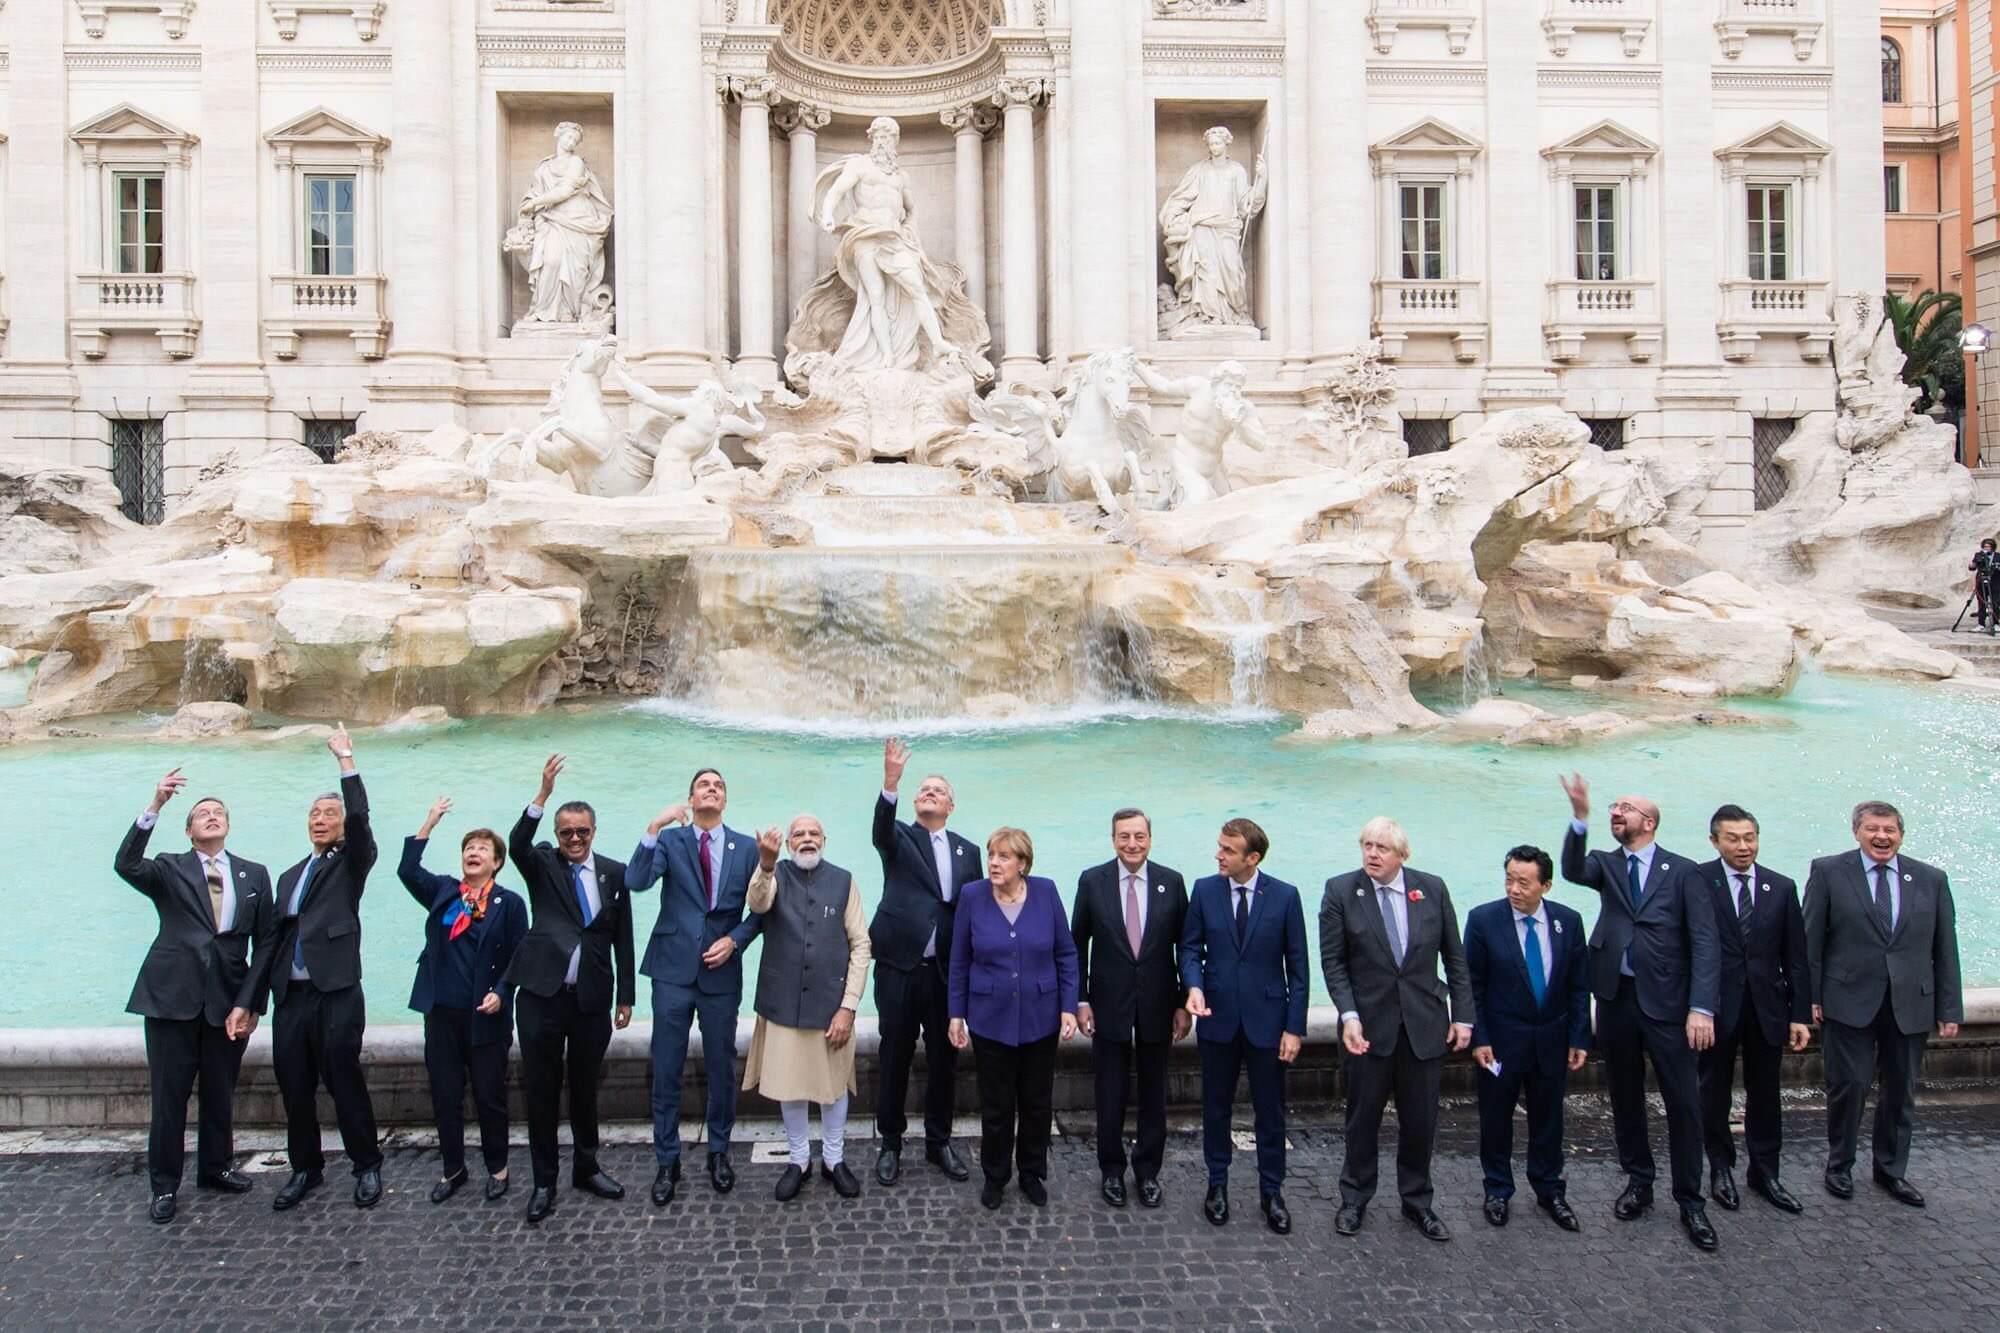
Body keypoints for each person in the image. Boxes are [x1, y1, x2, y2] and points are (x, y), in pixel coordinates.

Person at [1558, 774, 1721, 1251]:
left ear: (1647, 822)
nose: (1616, 812)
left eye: (1624, 807)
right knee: (1624, 1096)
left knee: (1684, 1103)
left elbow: (1705, 942)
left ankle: (1690, 1198)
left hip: (1670, 1004)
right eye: (1613, 806)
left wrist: (1701, 1007)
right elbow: (1569, 869)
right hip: (1615, 999)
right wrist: (1580, 816)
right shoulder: (1605, 865)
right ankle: (1639, 1181)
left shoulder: (1684, 871)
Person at [115, 768, 275, 1224]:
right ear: (189, 830)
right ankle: (164, 1186)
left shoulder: (254, 875)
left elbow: (265, 945)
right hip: (170, 998)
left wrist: (251, 1002)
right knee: (169, 1096)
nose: (211, 816)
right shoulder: (168, 867)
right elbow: (126, 865)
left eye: (218, 812)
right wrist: (154, 806)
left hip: (227, 1000)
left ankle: (216, 1167)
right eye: (202, 813)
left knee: (221, 1091)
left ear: (228, 825)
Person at [1319, 817, 1474, 1242]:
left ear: (1402, 855)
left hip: (1423, 1026)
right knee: (1361, 1119)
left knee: (1421, 1121)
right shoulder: (1340, 891)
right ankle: (1354, 1198)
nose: (1372, 853)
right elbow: (1333, 964)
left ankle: (1417, 1200)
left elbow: (1455, 958)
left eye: (1381, 848)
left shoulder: (1433, 888)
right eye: (1367, 845)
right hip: (1367, 1027)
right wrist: (1348, 1016)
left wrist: (1463, 1016)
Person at [1804, 801, 1963, 1207]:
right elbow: (1811, 942)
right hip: (1847, 1000)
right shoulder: (1827, 872)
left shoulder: (1931, 879)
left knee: (1900, 1092)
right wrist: (1811, 997)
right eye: (1873, 829)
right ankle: (1839, 1165)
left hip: (1910, 1004)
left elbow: (1946, 948)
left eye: (1890, 829)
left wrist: (1950, 1008)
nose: (1882, 837)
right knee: (1849, 1087)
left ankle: (1891, 1170)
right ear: (1856, 831)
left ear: (1901, 834)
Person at [625, 767, 765, 1206]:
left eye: (719, 786)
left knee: (722, 1066)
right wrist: (654, 827)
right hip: (671, 969)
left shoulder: (747, 848)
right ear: (690, 797)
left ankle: (719, 1151)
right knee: (665, 1066)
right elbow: (636, 882)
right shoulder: (670, 841)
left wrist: (735, 941)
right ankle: (667, 1159)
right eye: (704, 784)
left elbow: (760, 911)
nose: (712, 789)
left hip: (721, 971)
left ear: (726, 800)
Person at [506, 754, 635, 1224]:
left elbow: (623, 934)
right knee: (540, 1090)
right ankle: (544, 1181)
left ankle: (586, 1166)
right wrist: (541, 794)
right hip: (541, 996)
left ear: (593, 832)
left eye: (582, 832)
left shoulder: (614, 872)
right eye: (567, 833)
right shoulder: (542, 864)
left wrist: (626, 996)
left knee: (584, 1088)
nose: (575, 839)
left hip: (591, 1000)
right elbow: (516, 842)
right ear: (557, 835)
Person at [264, 725, 384, 1212]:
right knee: (294, 1084)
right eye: (314, 813)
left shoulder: (352, 862)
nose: (320, 819)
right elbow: (274, 939)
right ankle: (305, 1169)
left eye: (329, 813)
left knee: (343, 1076)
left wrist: (346, 762)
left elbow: (360, 818)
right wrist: (249, 1003)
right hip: (291, 996)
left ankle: (366, 1164)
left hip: (335, 989)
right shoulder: (291, 874)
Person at [1181, 818, 1309, 1235]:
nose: (1218, 855)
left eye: (1228, 850)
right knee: (1214, 1108)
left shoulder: (1286, 897)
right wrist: (1194, 987)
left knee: (1270, 1112)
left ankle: (1272, 1191)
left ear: (1252, 858)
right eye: (1219, 846)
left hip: (1268, 1023)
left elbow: (1300, 970)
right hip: (1217, 1019)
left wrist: (1294, 1028)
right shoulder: (1203, 890)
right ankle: (1216, 1184)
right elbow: (1189, 949)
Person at [399, 797, 529, 1205]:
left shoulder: (510, 904)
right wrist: (429, 821)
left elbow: (518, 957)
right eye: (469, 848)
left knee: (490, 1097)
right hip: (441, 1014)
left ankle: (498, 1168)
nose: (473, 853)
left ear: (496, 863)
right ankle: (452, 1169)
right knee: (445, 1094)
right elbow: (407, 870)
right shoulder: (443, 891)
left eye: (482, 849)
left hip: (485, 1016)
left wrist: (502, 993)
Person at [868, 738, 983, 1187]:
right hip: (899, 967)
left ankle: (939, 1141)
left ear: (951, 805)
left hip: (945, 974)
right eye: (923, 789)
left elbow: (973, 910)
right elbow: (880, 828)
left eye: (938, 790)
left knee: (944, 1061)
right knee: (893, 1056)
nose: (929, 792)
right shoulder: (897, 837)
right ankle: (891, 1143)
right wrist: (891, 782)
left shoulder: (968, 850)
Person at [947, 828, 1080, 1210]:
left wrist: (1068, 1006)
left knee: (1037, 1103)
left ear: (1023, 864)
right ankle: (995, 1175)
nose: (994, 863)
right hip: (990, 1019)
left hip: (1041, 1017)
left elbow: (1066, 954)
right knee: (996, 1104)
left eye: (1004, 857)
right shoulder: (972, 896)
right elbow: (960, 960)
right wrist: (956, 1013)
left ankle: (1032, 1172)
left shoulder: (1047, 892)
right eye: (992, 855)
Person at [741, 816, 870, 1202]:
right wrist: (765, 863)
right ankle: (798, 1159)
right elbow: (757, 903)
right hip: (782, 1002)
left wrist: (848, 1007)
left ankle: (834, 1158)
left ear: (824, 840)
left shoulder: (844, 880)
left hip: (831, 1004)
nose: (807, 839)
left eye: (814, 834)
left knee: (833, 1087)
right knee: (789, 1086)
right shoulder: (774, 873)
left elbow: (860, 945)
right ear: (789, 842)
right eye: (799, 834)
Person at [1465, 846, 1591, 1231]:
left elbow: (1577, 985)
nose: (1514, 889)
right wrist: (1479, 1038)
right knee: (1496, 1117)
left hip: (1551, 1039)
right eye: (1509, 879)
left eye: (1523, 882)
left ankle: (1549, 1187)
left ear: (1546, 885)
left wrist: (1578, 1037)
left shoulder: (1568, 922)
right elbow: (1473, 986)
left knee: (1549, 1117)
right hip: (1502, 1040)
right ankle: (1498, 1189)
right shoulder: (1484, 920)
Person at [1695, 804, 1811, 1214]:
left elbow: (1796, 957)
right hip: (1715, 1009)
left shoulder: (1780, 887)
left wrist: (1799, 1014)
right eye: (1733, 838)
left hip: (1767, 1009)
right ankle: (1719, 1169)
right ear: (1715, 841)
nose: (1743, 846)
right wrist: (1696, 1008)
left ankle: (1765, 1172)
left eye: (1750, 838)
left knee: (1766, 1094)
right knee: (1713, 1092)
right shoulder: (1698, 881)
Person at [1072, 807, 1189, 1209]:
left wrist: (1182, 1002)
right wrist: (1080, 999)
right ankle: (1111, 1170)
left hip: (1158, 1002)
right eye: (1124, 836)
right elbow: (1077, 945)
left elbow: (1184, 948)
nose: (1132, 844)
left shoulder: (1171, 883)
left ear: (1150, 839)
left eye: (1139, 836)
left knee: (1155, 1092)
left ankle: (1147, 1171)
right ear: (1113, 840)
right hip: (1108, 1003)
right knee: (1110, 1090)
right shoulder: (1092, 881)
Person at [1969, 538, 1998, 634]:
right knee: (1981, 604)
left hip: (1994, 583)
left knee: (1995, 603)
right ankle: (1981, 624)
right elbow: (1972, 567)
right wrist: (1972, 565)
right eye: (1985, 546)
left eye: (1989, 546)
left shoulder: (1998, 556)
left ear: (1993, 547)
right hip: (1981, 582)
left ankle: (1996, 623)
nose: (1987, 548)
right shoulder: (1978, 555)